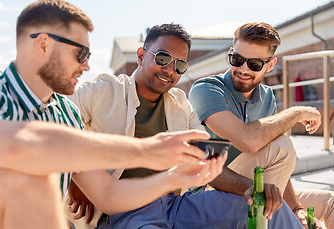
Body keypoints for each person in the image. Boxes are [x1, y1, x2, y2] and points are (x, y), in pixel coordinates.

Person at [0, 0, 215, 229]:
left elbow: (108, 195)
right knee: (35, 179)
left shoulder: (67, 115)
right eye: (80, 54)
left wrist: (172, 178)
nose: (86, 66)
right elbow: (17, 148)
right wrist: (148, 150)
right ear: (43, 45)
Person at [67, 23, 304, 229]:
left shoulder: (180, 105)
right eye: (162, 58)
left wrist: (255, 188)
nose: (169, 70)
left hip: (173, 206)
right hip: (122, 215)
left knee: (271, 210)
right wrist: (77, 178)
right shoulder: (103, 91)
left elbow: (209, 164)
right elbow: (58, 126)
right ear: (140, 55)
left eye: (179, 66)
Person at [189, 22, 333, 229]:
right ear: (231, 53)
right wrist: (297, 111)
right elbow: (248, 140)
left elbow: (278, 167)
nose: (243, 69)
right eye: (237, 59)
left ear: (270, 65)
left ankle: (282, 218)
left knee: (330, 202)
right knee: (282, 147)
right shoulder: (206, 90)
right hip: (209, 195)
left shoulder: (267, 97)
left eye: (254, 64)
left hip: (256, 190)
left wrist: (297, 209)